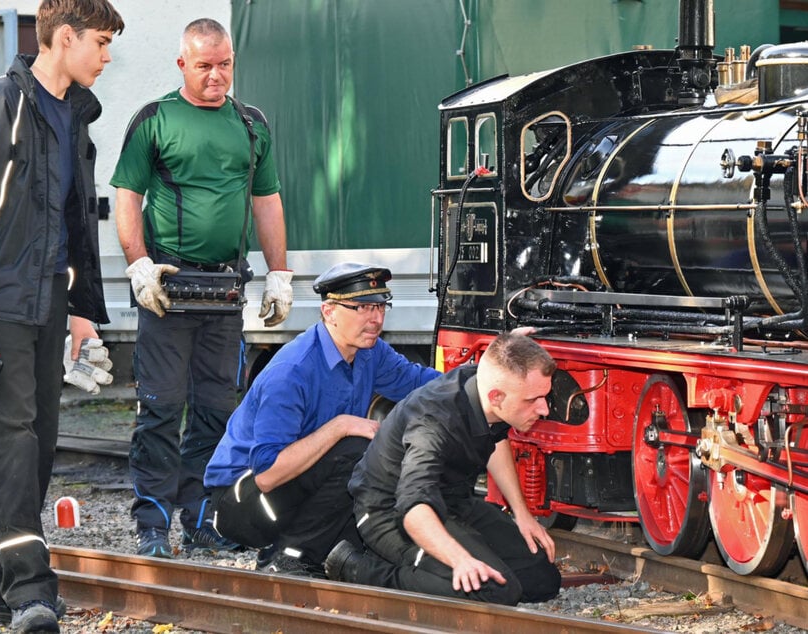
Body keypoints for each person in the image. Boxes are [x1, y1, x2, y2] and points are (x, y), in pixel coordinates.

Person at [0, 1, 124, 632]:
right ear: (63, 37)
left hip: (46, 304)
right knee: (11, 440)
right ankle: (31, 592)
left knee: (32, 448)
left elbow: (73, 221)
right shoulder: (1, 103)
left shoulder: (75, 117)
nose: (106, 55)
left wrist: (81, 309)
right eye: (100, 42)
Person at [110, 17, 292, 559]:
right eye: (205, 65)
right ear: (182, 64)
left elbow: (268, 202)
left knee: (216, 411)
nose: (217, 76)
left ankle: (200, 519)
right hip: (166, 289)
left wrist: (279, 274)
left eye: (225, 64)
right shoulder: (155, 120)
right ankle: (152, 524)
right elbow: (126, 195)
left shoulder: (251, 124)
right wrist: (138, 264)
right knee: (161, 409)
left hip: (224, 292)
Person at [203, 262, 441, 576]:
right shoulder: (292, 371)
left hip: (291, 491)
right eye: (362, 307)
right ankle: (289, 556)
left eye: (381, 307)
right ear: (328, 311)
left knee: (371, 456)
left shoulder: (370, 352)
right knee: (354, 448)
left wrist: (485, 377)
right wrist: (340, 426)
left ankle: (330, 551)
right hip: (241, 502)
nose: (376, 319)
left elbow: (427, 384)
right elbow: (267, 474)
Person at [326, 332, 562, 606]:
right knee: (496, 591)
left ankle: (436, 565)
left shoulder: (486, 387)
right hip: (390, 512)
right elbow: (412, 507)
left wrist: (522, 514)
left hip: (452, 501)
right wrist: (459, 559)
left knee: (543, 580)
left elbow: (495, 438)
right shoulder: (433, 422)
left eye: (544, 397)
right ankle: (358, 569)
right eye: (532, 400)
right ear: (496, 397)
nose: (544, 409)